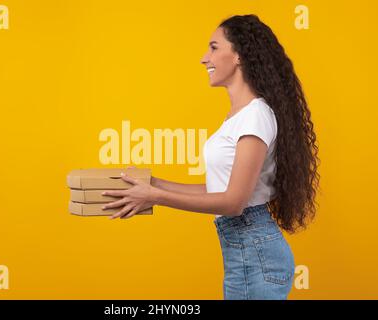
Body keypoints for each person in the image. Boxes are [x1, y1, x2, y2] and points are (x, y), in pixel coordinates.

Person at [101, 14, 320, 300]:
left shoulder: (255, 116)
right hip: (248, 254)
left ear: (239, 54)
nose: (205, 58)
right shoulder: (239, 117)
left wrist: (154, 197)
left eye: (214, 47)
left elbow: (233, 202)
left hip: (255, 257)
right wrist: (154, 184)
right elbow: (220, 190)